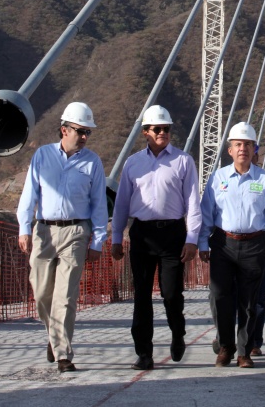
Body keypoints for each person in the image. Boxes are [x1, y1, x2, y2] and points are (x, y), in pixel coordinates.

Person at [17, 102, 108, 373]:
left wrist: (98, 240)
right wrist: (24, 228)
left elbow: (99, 204)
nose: (84, 137)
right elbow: (29, 195)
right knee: (42, 294)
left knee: (66, 297)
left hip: (76, 232)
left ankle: (63, 354)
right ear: (63, 129)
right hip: (44, 231)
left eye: (87, 133)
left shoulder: (92, 162)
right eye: (80, 131)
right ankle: (54, 336)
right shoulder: (43, 157)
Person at [111, 105, 201, 371]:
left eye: (167, 129)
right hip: (141, 234)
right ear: (145, 132)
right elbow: (122, 204)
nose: (163, 133)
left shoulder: (183, 161)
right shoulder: (132, 163)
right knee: (141, 296)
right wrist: (117, 237)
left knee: (172, 293)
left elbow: (193, 203)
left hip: (173, 233)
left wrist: (192, 238)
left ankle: (177, 332)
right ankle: (144, 352)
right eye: (158, 129)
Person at [199, 122, 265, 369]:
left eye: (247, 144)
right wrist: (203, 242)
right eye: (238, 144)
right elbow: (207, 213)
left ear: (254, 149)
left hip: (254, 244)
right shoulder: (218, 178)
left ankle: (244, 351)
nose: (243, 149)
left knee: (249, 301)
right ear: (230, 150)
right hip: (223, 243)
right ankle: (225, 347)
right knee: (220, 296)